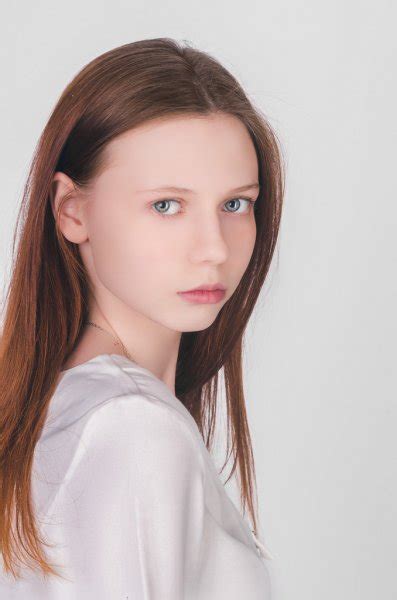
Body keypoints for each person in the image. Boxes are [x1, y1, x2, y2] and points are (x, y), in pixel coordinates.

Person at [0, 38, 284, 598]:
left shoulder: (63, 408)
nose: (213, 248)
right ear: (72, 211)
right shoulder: (130, 426)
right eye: (166, 205)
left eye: (235, 204)